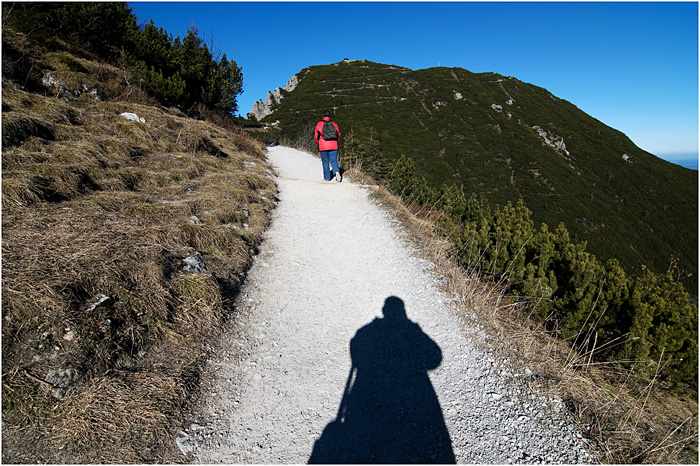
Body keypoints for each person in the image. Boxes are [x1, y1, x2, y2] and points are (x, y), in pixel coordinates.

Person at [314, 110, 342, 182]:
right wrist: (335, 142)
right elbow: (338, 135)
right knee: (333, 160)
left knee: (325, 162)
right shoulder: (334, 124)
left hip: (323, 146)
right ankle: (337, 172)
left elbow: (316, 136)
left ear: (323, 116)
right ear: (329, 116)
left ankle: (327, 178)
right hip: (334, 145)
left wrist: (319, 143)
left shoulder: (319, 124)